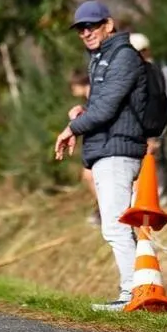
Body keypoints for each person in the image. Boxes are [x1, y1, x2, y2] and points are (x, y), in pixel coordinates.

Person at [54, 0, 148, 311]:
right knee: (117, 225)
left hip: (117, 150)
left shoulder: (122, 56)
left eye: (91, 25)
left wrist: (71, 128)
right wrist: (84, 112)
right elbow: (107, 106)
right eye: (80, 28)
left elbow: (107, 109)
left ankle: (131, 294)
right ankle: (136, 292)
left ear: (108, 24)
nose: (85, 32)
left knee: (116, 226)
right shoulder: (102, 58)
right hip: (109, 149)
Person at [129, 32, 167, 205]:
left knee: (156, 159)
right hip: (165, 119)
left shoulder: (146, 72)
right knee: (160, 159)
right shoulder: (159, 69)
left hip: (154, 124)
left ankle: (161, 197)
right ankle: (165, 194)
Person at [68, 69, 99, 226]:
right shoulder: (90, 100)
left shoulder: (95, 97)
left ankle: (103, 209)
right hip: (95, 145)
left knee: (89, 175)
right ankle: (102, 208)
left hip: (100, 145)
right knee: (88, 176)